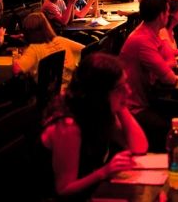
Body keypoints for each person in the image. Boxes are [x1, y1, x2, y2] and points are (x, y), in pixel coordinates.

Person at [39, 53, 148, 200]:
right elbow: (63, 189)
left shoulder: (99, 111)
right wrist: (105, 171)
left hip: (91, 193)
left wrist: (121, 106)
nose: (128, 91)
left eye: (126, 84)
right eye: (120, 88)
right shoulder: (68, 127)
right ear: (100, 93)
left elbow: (139, 147)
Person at [119, 0, 178, 151]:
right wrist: (166, 66)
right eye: (167, 11)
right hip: (133, 107)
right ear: (161, 15)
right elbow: (170, 79)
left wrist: (165, 64)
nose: (169, 15)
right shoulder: (142, 40)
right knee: (176, 126)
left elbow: (170, 57)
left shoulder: (150, 32)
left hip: (147, 98)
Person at [13, 12, 84, 90]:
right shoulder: (60, 40)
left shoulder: (34, 49)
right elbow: (86, 49)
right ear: (47, 27)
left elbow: (16, 70)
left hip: (50, 96)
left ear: (27, 33)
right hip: (72, 89)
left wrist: (15, 59)